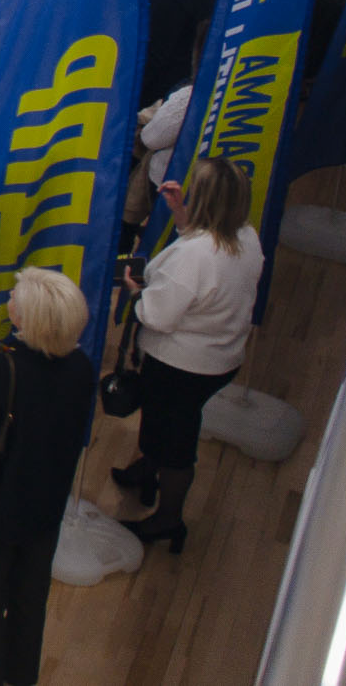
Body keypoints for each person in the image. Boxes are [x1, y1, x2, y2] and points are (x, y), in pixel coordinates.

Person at [0, 267, 95, 686]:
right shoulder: (81, 368)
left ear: (27, 317)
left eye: (14, 296)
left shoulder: (3, 369)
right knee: (30, 601)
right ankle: (22, 675)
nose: (8, 299)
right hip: (47, 505)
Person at [118, 156, 261, 550]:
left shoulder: (195, 258)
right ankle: (148, 469)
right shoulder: (246, 237)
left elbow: (158, 315)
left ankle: (168, 517)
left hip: (181, 365)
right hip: (218, 356)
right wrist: (182, 217)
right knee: (164, 424)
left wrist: (136, 294)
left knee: (175, 441)